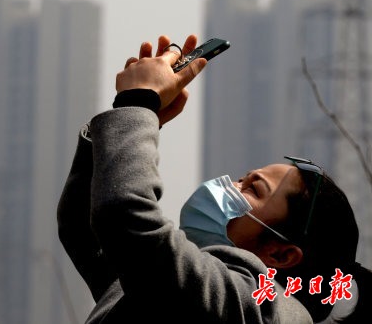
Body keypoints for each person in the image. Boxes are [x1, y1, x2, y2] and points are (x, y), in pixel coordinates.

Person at [58, 34, 371, 323]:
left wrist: (138, 103)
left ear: (281, 253)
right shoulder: (186, 285)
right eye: (241, 179)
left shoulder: (257, 306)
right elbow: (86, 229)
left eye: (253, 189)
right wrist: (136, 116)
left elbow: (125, 219)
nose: (229, 185)